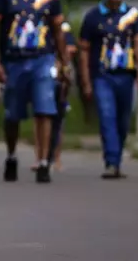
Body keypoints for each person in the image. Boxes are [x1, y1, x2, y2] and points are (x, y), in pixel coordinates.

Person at [0, 0, 70, 184]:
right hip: (14, 61)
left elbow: (58, 30)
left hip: (42, 59)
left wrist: (65, 62)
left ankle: (44, 162)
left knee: (44, 110)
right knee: (13, 115)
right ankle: (12, 155)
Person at [78, 0, 138, 179]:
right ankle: (111, 162)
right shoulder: (93, 17)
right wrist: (85, 80)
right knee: (107, 116)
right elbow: (84, 50)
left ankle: (116, 155)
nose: (117, 4)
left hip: (125, 74)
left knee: (123, 120)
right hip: (102, 75)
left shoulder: (131, 15)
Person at [31, 20, 77, 172]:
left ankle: (56, 157)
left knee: (59, 117)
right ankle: (40, 157)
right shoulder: (39, 24)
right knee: (40, 116)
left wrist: (60, 58)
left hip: (60, 78)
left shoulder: (63, 27)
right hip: (43, 75)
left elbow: (71, 48)